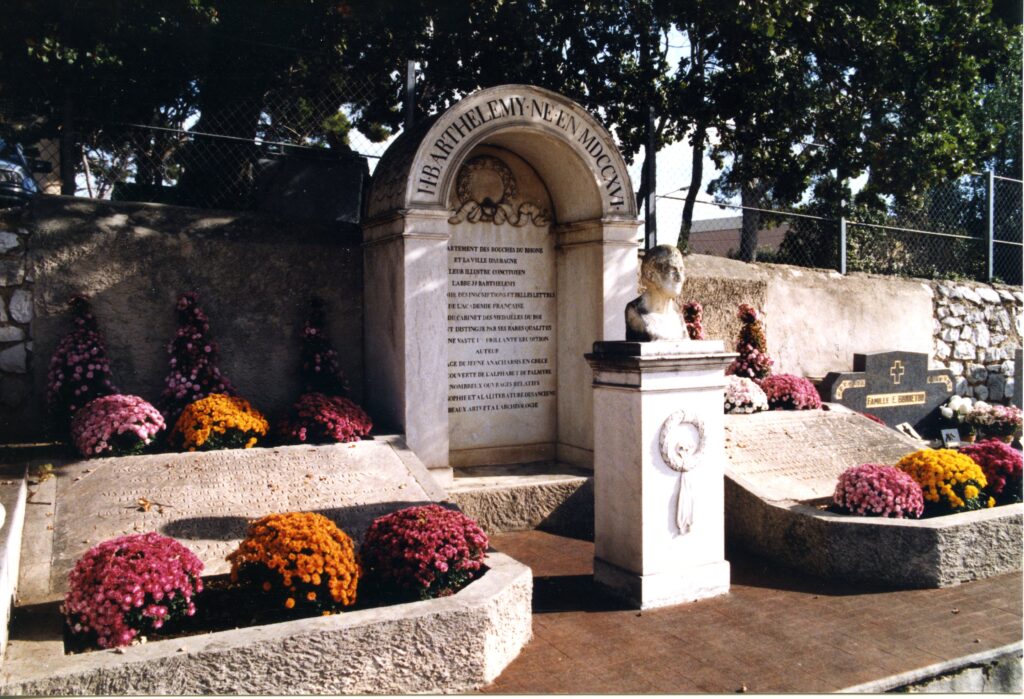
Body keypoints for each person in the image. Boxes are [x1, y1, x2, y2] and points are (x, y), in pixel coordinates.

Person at [625, 244, 687, 341]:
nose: (679, 277)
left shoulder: (676, 314)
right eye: (672, 270)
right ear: (650, 275)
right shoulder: (635, 312)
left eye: (681, 270)